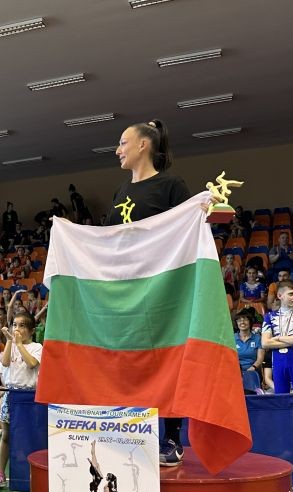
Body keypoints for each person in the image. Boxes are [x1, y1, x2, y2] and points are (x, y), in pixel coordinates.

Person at [106, 119, 192, 467]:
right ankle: (131, 431)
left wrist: (203, 210)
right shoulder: (120, 192)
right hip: (125, 292)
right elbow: (108, 239)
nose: (118, 150)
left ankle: (172, 437)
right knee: (128, 363)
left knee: (165, 363)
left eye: (123, 142)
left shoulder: (171, 185)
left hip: (160, 291)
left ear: (143, 145)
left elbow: (188, 230)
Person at [0, 313, 42, 490]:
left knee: (31, 434)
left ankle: (33, 474)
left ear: (31, 330)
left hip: (30, 397)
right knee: (6, 436)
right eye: (15, 325)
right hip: (11, 395)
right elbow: (5, 363)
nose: (17, 329)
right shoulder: (10, 345)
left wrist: (19, 344)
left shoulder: (37, 347)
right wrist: (9, 341)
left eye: (22, 326)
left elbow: (31, 363)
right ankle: (0, 473)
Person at [262, 280, 293, 394]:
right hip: (278, 362)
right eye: (291, 294)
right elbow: (265, 343)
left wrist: (277, 338)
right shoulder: (269, 317)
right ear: (280, 296)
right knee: (281, 399)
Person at [235, 312, 264, 392]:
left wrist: (253, 367)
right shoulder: (232, 338)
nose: (242, 322)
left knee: (250, 389)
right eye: (239, 320)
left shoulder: (257, 338)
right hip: (236, 370)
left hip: (252, 370)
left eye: (245, 319)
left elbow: (260, 358)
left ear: (250, 322)